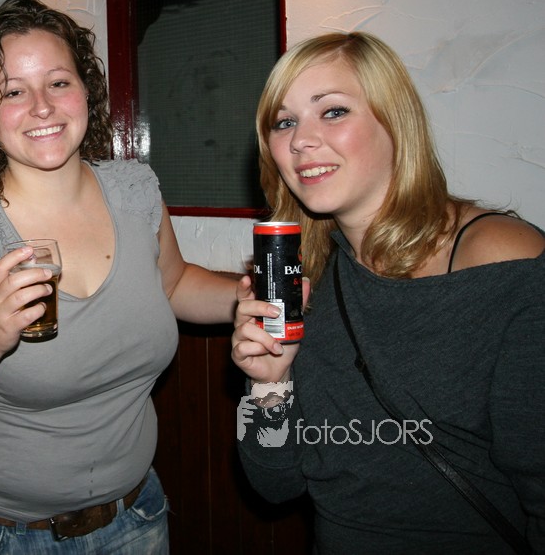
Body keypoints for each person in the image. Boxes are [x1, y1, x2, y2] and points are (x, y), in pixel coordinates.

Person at [0, 0, 242, 554]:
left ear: (86, 92)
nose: (42, 107)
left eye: (58, 82)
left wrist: (249, 297)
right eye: (13, 91)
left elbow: (173, 284)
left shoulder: (134, 191)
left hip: (135, 518)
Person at [231, 31, 545, 553]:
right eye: (284, 122)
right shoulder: (302, 278)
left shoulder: (499, 256)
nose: (301, 140)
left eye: (332, 111)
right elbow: (276, 484)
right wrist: (269, 386)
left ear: (394, 121)